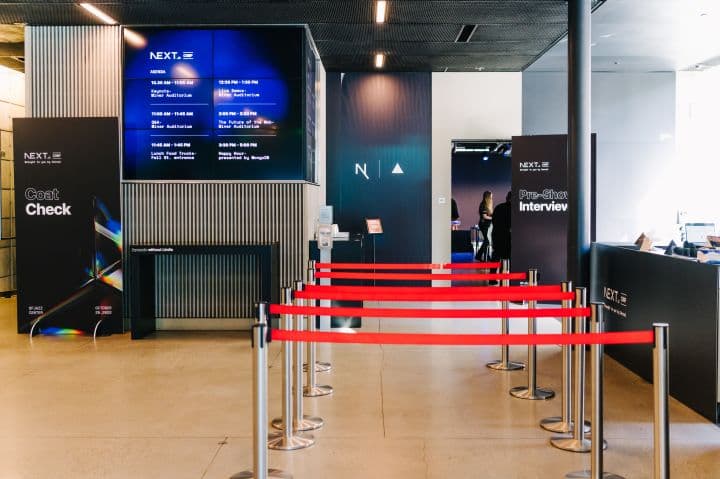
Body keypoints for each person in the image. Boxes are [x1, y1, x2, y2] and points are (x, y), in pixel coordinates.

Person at [491, 191, 512, 261]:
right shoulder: (513, 209)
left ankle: (493, 271)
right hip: (507, 236)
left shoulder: (498, 207)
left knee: (496, 255)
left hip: (496, 235)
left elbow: (494, 221)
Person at [475, 191, 493, 261]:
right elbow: (484, 216)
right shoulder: (483, 205)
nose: (492, 198)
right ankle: (483, 256)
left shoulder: (488, 205)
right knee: (487, 241)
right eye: (491, 196)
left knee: (487, 241)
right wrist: (493, 218)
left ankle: (482, 256)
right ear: (488, 197)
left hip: (487, 225)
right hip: (483, 225)